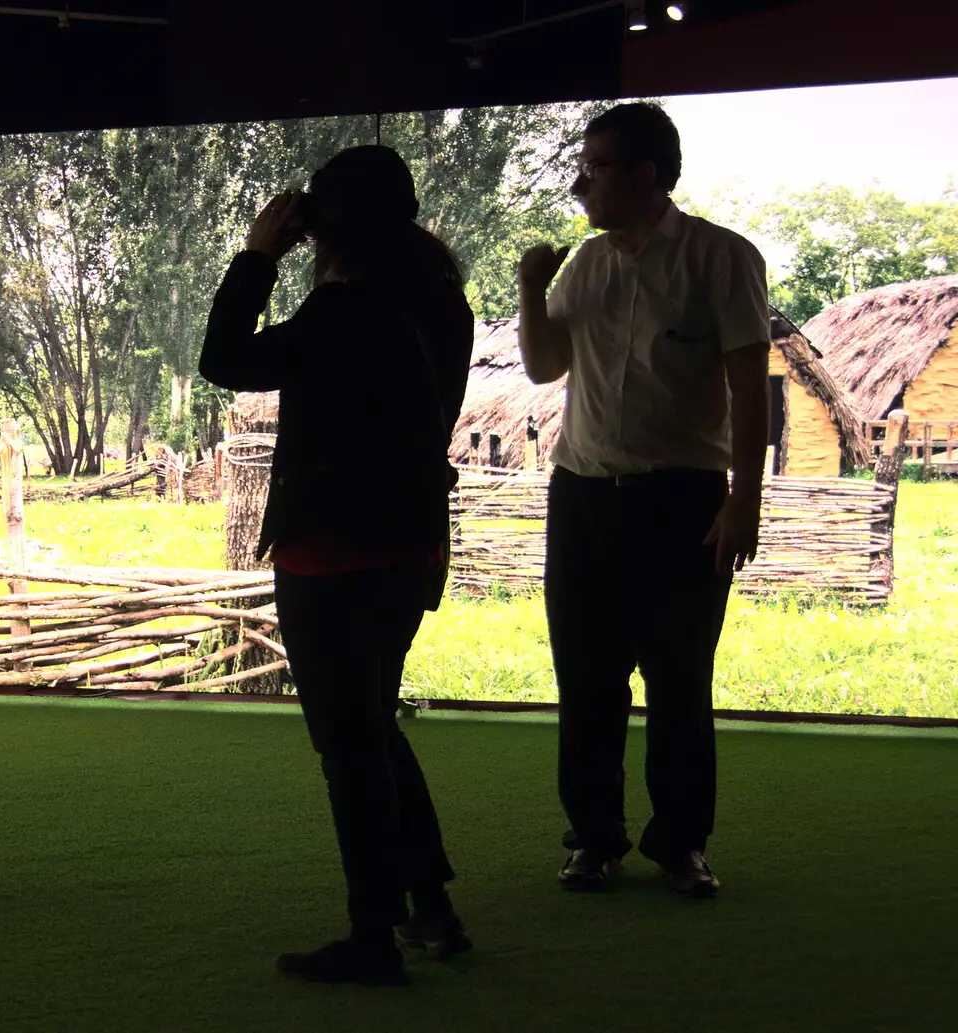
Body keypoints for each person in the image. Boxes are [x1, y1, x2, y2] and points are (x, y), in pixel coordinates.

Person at [199, 145, 474, 987]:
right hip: (411, 544)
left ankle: (375, 933)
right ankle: (429, 905)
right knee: (371, 727)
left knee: (349, 745)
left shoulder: (342, 312)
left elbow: (223, 359)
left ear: (329, 227)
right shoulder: (441, 300)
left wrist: (256, 257)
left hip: (332, 555)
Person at [517, 103, 769, 898]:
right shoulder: (585, 264)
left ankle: (681, 843)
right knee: (586, 677)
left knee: (680, 677)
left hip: (683, 499)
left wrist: (745, 500)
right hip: (584, 493)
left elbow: (748, 383)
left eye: (596, 167)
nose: (580, 182)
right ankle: (593, 840)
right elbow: (543, 365)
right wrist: (530, 288)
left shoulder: (720, 258)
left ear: (648, 174)